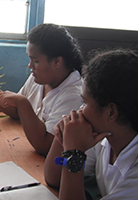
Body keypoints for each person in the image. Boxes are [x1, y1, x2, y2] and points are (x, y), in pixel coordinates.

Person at [44, 49, 138, 200]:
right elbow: (54, 179)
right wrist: (62, 137)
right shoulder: (105, 138)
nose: (79, 110)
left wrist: (74, 153)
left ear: (111, 113)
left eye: (85, 103)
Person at [0, 23, 84, 155]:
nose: (30, 65)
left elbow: (45, 146)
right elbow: (16, 111)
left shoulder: (74, 95)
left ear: (57, 62)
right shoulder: (39, 78)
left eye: (35, 61)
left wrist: (22, 102)